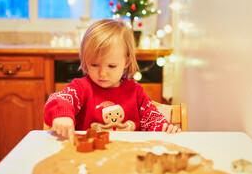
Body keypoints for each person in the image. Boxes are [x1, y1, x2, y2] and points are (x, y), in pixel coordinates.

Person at [44, 19, 181, 141]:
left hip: (127, 158)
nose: (102, 73)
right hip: (88, 158)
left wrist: (163, 127)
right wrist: (62, 115)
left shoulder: (135, 91)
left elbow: (152, 119)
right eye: (94, 65)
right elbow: (57, 99)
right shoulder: (81, 87)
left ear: (126, 62)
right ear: (85, 60)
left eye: (111, 66)